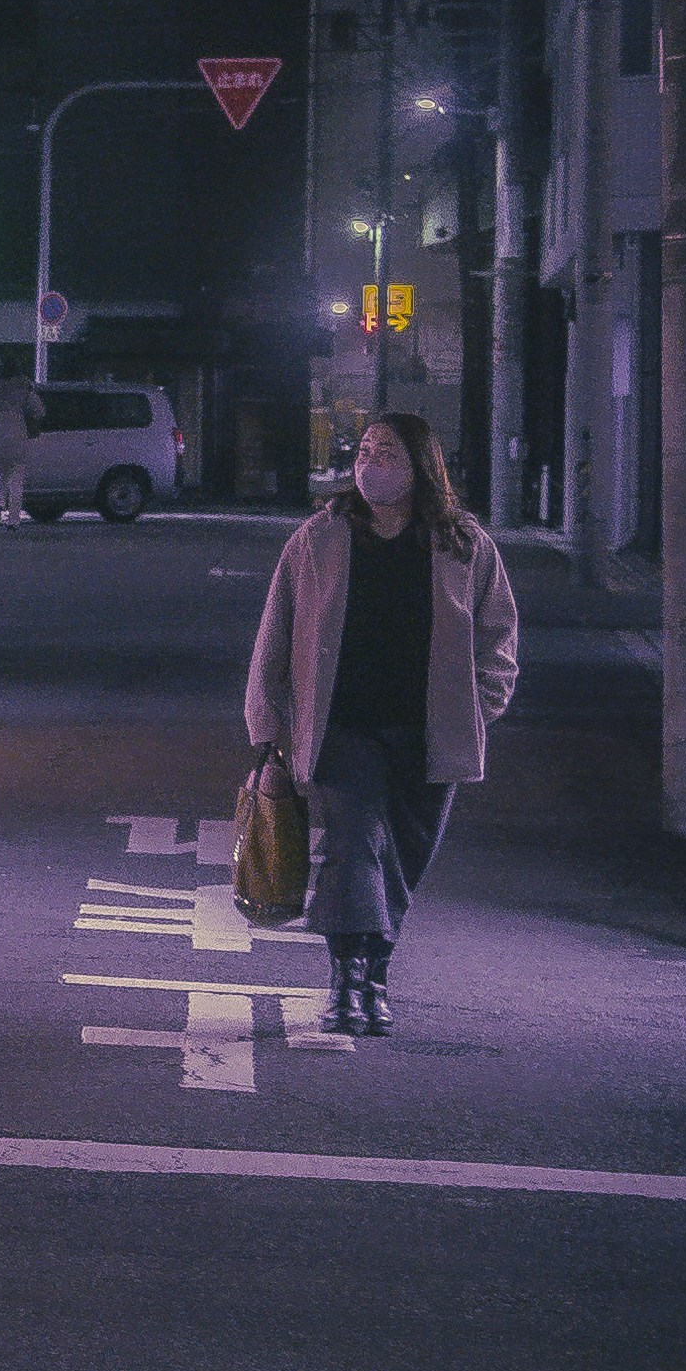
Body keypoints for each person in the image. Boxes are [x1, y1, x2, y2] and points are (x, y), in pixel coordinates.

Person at [239, 407, 523, 1036]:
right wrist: (268, 724)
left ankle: (377, 973)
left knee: (402, 860)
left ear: (422, 465)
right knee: (354, 847)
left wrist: (482, 704)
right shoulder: (319, 539)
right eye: (365, 451)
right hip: (341, 730)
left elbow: (498, 634)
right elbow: (276, 632)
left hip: (431, 735)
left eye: (389, 453)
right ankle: (347, 984)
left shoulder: (462, 544)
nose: (371, 463)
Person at [0, 372, 37, 525]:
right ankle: (14, 520)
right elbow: (39, 410)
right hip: (18, 435)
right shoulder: (24, 389)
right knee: (16, 478)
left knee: (0, 475)